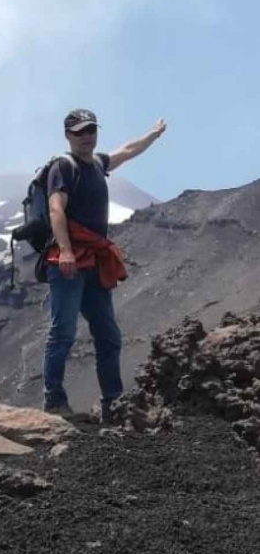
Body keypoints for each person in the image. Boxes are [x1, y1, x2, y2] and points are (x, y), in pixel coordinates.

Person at [42, 107, 166, 422]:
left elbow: (127, 151)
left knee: (108, 334)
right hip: (69, 262)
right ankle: (53, 400)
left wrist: (153, 134)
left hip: (94, 263)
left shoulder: (98, 164)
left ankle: (113, 402)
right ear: (68, 135)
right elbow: (56, 209)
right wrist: (66, 251)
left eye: (91, 130)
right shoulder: (63, 166)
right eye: (80, 132)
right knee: (63, 332)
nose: (87, 137)